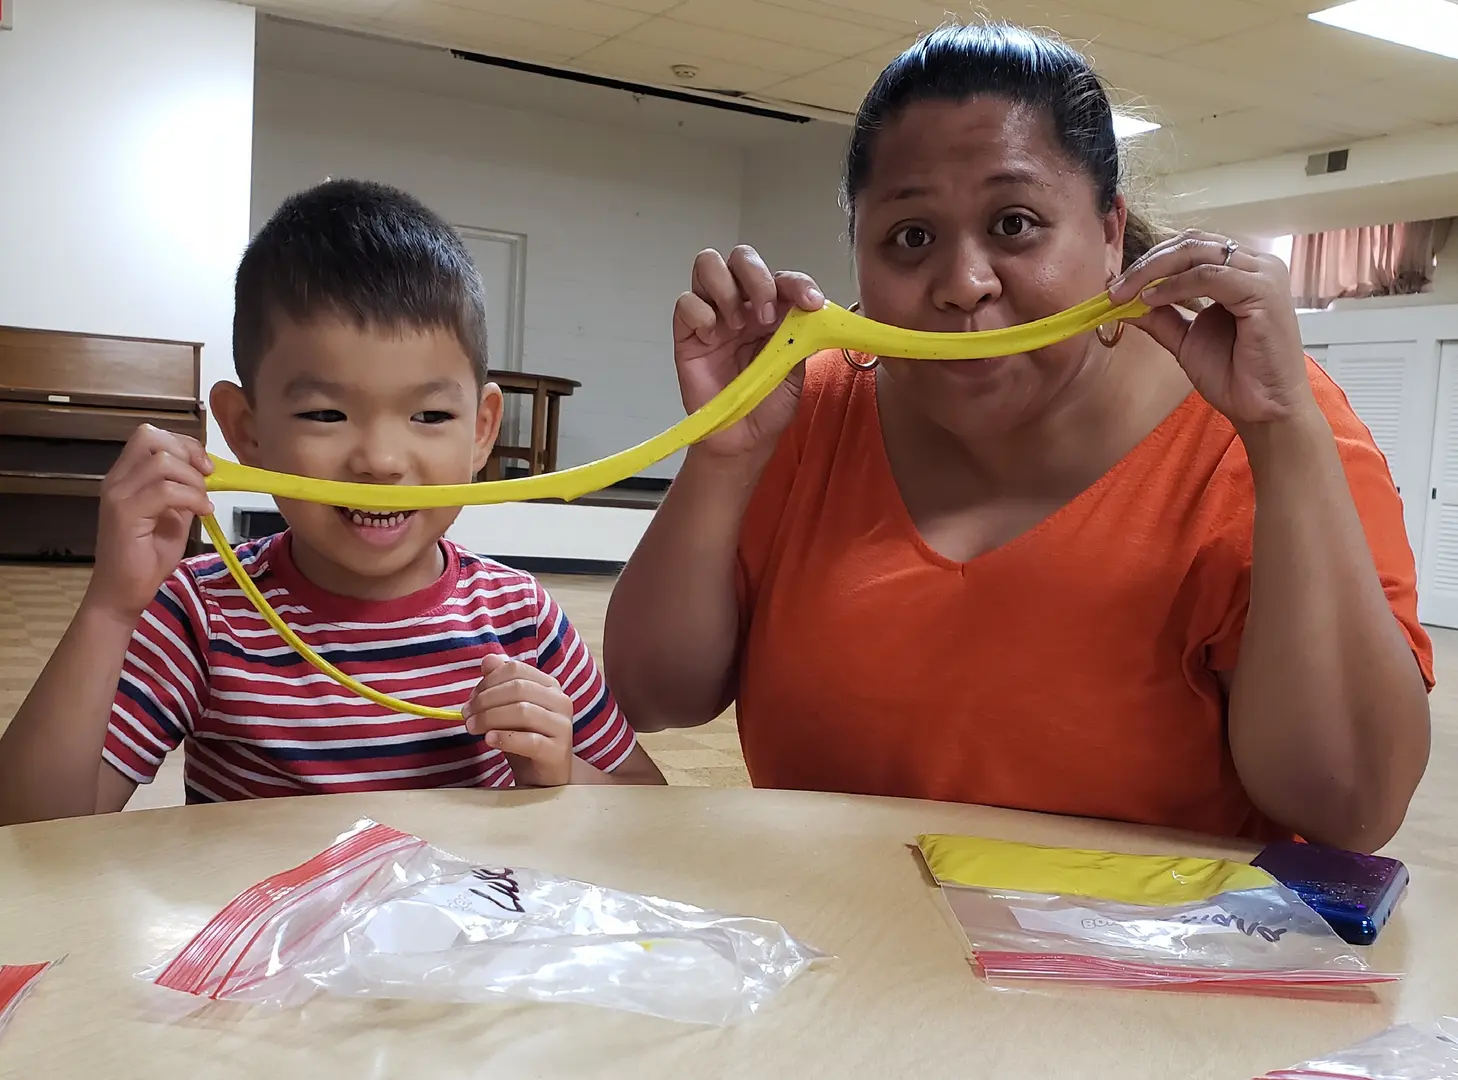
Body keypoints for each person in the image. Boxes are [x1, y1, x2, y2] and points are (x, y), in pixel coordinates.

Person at [604, 24, 1432, 851]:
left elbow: (1349, 806)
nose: (964, 286)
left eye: (1016, 223)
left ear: (1110, 232)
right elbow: (653, 693)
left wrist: (1282, 433)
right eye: (912, 237)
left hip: (1133, 973)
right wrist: (724, 455)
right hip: (832, 960)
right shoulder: (807, 407)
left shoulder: (1264, 425)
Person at [0, 179, 663, 824]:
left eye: (430, 415)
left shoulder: (523, 621)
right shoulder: (202, 615)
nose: (379, 460)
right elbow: (31, 833)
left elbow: (651, 811)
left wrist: (562, 772)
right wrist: (112, 606)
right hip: (271, 936)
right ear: (247, 429)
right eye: (325, 413)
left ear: (482, 430)